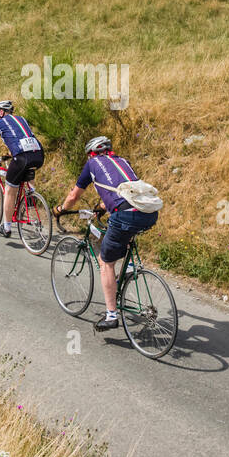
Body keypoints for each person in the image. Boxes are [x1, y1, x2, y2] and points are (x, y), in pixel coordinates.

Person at [55, 136, 158, 331]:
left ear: (91, 154)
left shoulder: (92, 164)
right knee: (122, 234)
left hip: (126, 215)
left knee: (105, 262)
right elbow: (124, 189)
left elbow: (73, 196)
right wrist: (102, 206)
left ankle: (111, 315)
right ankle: (128, 267)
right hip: (149, 212)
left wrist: (61, 209)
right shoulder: (122, 161)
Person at [0, 100, 44, 238]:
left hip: (22, 157)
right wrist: (10, 154)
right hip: (38, 154)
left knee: (9, 190)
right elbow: (20, 137)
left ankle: (7, 227)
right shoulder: (21, 119)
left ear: (1, 112)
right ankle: (31, 197)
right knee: (26, 173)